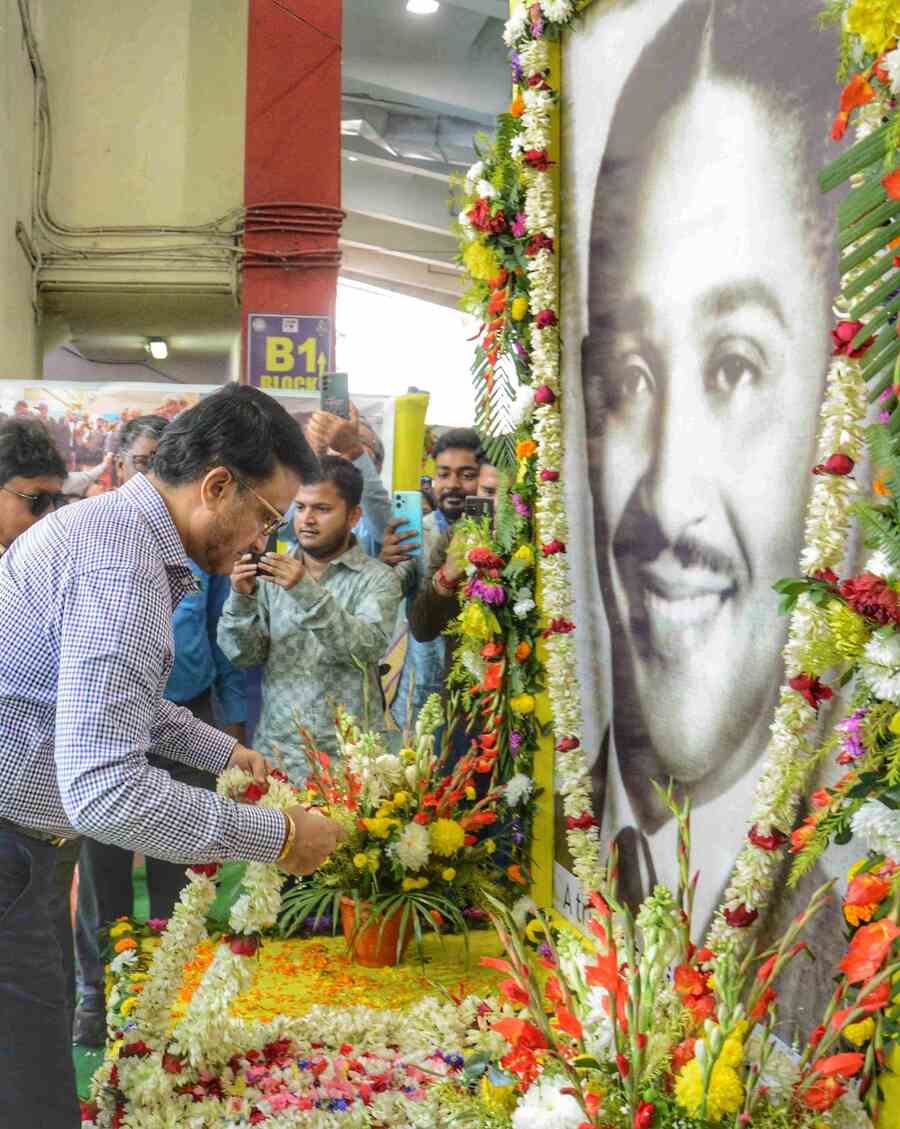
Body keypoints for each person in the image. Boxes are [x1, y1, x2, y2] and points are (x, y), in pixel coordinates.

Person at [0, 384, 344, 1128]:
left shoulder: (116, 538)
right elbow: (105, 792)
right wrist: (279, 838)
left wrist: (220, 747)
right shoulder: (120, 567)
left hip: (22, 847)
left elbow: (118, 697)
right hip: (8, 852)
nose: (262, 540)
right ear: (218, 484)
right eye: (265, 516)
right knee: (32, 1100)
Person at [577, 0, 838, 947]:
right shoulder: (571, 836)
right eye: (630, 377)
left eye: (736, 365)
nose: (667, 496)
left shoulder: (850, 937)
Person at [71, 412, 249, 1047]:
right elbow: (102, 788)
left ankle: (172, 997)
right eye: (145, 464)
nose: (154, 476)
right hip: (106, 730)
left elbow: (215, 639)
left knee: (183, 872)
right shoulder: (116, 552)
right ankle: (101, 999)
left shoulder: (199, 543)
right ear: (122, 468)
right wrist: (271, 834)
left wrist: (226, 732)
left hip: (185, 711)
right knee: (106, 872)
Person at [218, 454, 402, 778]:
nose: (307, 519)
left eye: (322, 508)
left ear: (354, 516)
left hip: (353, 765)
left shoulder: (378, 578)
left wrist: (306, 590)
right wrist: (242, 597)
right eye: (300, 507)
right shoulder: (271, 573)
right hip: (279, 758)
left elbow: (367, 648)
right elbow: (243, 655)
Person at [384, 428, 484, 730]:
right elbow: (387, 597)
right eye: (444, 474)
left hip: (487, 701)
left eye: (467, 475)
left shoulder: (505, 533)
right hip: (424, 697)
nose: (452, 485)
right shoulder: (416, 532)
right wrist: (384, 566)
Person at [304, 403, 390, 556]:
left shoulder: (381, 513)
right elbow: (284, 529)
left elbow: (384, 529)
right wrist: (314, 457)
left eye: (359, 441)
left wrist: (354, 450)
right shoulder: (308, 508)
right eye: (338, 448)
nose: (345, 458)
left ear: (377, 466)